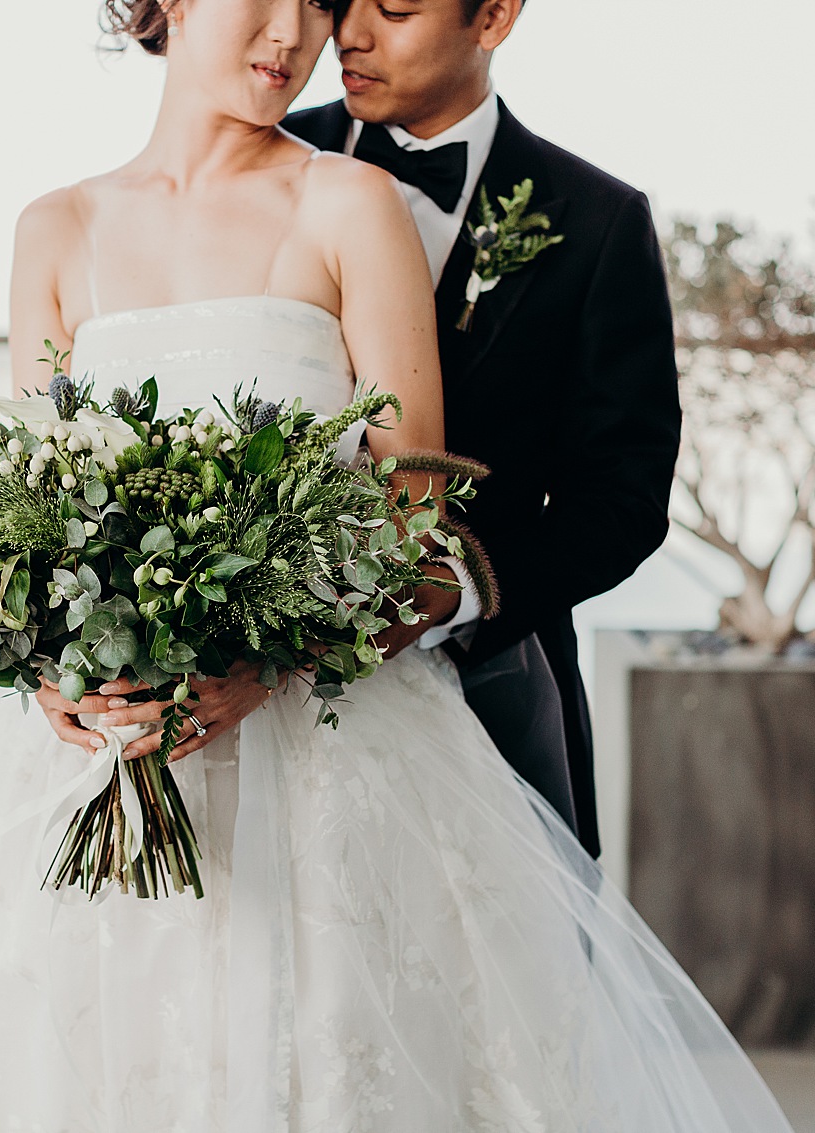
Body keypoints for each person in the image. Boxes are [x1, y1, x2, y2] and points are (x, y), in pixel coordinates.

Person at [0, 2, 793, 1130]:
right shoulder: (55, 226)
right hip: (109, 752)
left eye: (322, 1)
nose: (306, 32)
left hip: (360, 719)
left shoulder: (370, 203)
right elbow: (34, 503)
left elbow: (441, 498)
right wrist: (51, 664)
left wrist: (276, 656)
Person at [284, 0, 681, 859]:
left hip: (489, 691)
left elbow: (624, 496)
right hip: (263, 696)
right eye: (340, 2)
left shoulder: (598, 220)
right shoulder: (260, 168)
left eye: (393, 9)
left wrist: (452, 591)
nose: (349, 35)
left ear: (494, 16)